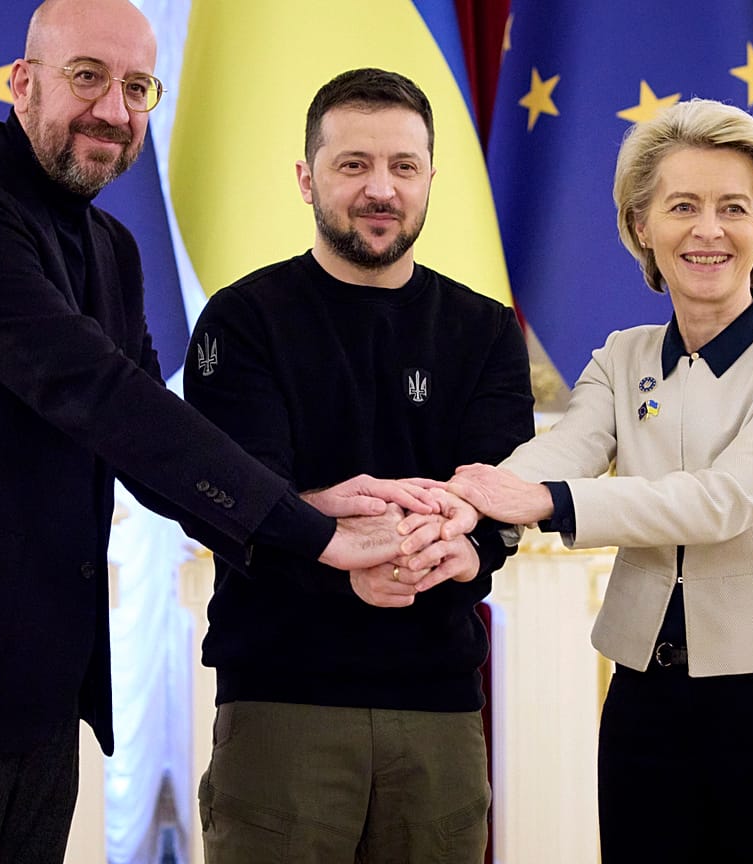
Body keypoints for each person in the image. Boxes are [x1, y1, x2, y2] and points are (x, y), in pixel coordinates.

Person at [0, 4, 432, 862]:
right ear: (24, 84)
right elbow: (105, 401)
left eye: (136, 87)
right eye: (86, 76)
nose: (113, 109)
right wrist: (311, 536)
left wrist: (299, 506)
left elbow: (149, 445)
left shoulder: (110, 246)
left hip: (37, 696)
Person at [447, 99, 753, 862]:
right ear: (641, 226)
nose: (708, 230)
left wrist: (542, 503)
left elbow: (722, 502)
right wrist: (460, 508)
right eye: (682, 206)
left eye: (733, 208)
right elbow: (560, 453)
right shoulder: (622, 356)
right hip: (648, 704)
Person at [185, 68, 534, 862]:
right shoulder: (242, 321)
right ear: (307, 178)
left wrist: (454, 549)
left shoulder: (484, 332)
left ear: (431, 180)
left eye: (404, 167)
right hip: (282, 703)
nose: (381, 189)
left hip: (440, 710)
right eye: (353, 165)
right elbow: (234, 498)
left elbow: (499, 503)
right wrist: (340, 556)